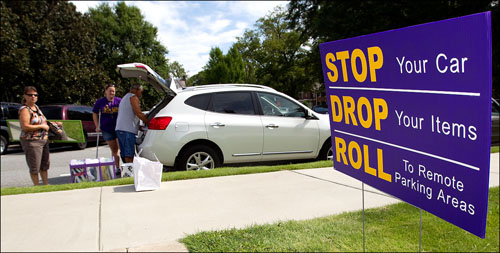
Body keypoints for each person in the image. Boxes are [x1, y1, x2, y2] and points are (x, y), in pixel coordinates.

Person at [18, 86, 50, 186]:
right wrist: (41, 126)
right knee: (35, 167)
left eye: (35, 95)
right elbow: (25, 127)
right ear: (25, 96)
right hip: (32, 141)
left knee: (44, 166)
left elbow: (42, 121)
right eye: (30, 95)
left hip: (43, 140)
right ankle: (36, 187)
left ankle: (45, 185)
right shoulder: (24, 109)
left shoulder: (36, 107)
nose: (33, 97)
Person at [115, 83, 149, 163]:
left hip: (120, 129)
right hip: (127, 131)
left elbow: (128, 116)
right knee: (129, 154)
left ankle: (126, 171)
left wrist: (139, 127)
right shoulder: (133, 97)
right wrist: (149, 122)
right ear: (136, 90)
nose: (141, 94)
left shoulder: (125, 97)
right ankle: (131, 172)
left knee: (124, 154)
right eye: (141, 91)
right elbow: (138, 113)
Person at [92, 84, 122, 170]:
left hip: (118, 127)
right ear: (105, 91)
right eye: (110, 91)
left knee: (121, 148)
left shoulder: (119, 101)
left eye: (113, 91)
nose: (112, 93)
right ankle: (117, 167)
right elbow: (95, 113)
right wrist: (97, 126)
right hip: (107, 129)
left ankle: (126, 166)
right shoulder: (100, 102)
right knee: (114, 150)